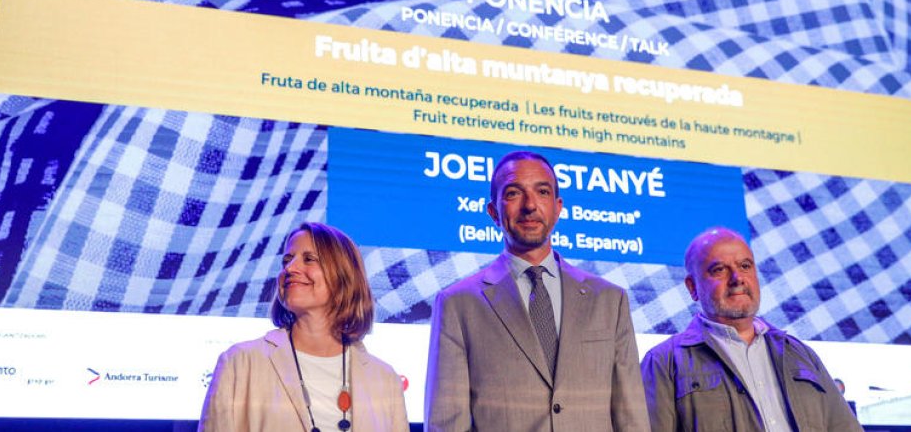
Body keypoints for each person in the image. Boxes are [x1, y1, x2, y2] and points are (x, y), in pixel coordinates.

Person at [424, 150, 650, 432]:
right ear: (493, 212)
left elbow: (632, 421)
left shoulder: (609, 300)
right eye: (513, 193)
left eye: (542, 192)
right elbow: (447, 424)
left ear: (558, 207)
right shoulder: (459, 305)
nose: (530, 205)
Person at [640, 227, 861, 432]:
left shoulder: (799, 354)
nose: (737, 279)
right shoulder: (663, 363)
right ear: (693, 287)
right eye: (719, 270)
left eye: (745, 266)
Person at [199, 222, 408, 432]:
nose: (290, 269)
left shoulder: (385, 380)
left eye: (309, 259)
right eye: (287, 260)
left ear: (344, 276)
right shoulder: (240, 363)